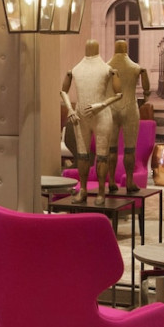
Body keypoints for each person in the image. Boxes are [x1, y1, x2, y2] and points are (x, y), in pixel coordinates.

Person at [60, 39, 123, 205]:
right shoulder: (75, 70)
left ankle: (101, 191)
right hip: (80, 116)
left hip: (101, 115)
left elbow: (119, 94)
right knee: (82, 155)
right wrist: (70, 109)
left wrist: (101, 105)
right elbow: (63, 91)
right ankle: (83, 190)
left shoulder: (107, 69)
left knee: (102, 156)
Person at [107, 39, 150, 193]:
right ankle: (130, 181)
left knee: (111, 148)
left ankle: (112, 181)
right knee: (130, 148)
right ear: (126, 49)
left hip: (111, 108)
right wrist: (145, 97)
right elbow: (146, 88)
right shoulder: (135, 67)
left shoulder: (107, 67)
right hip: (130, 107)